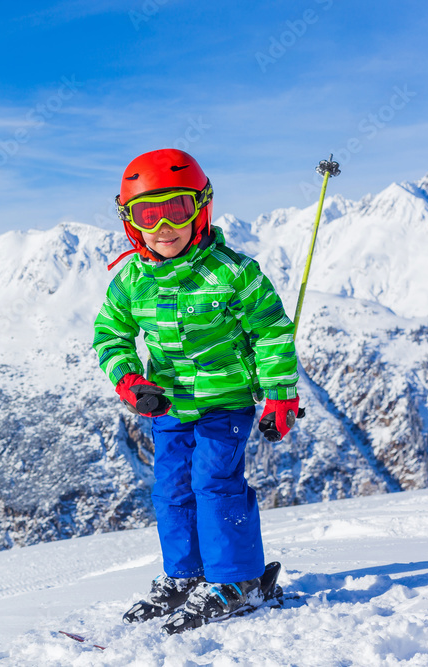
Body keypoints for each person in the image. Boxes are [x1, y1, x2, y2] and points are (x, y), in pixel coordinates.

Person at [92, 148, 301, 634]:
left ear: (201, 208)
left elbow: (271, 333)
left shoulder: (234, 273)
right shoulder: (131, 281)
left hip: (224, 401)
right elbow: (111, 334)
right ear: (131, 223)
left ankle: (238, 579)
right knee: (172, 488)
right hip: (166, 404)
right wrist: (131, 381)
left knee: (213, 482)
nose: (164, 225)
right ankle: (186, 575)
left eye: (177, 209)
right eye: (149, 213)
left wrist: (280, 395)